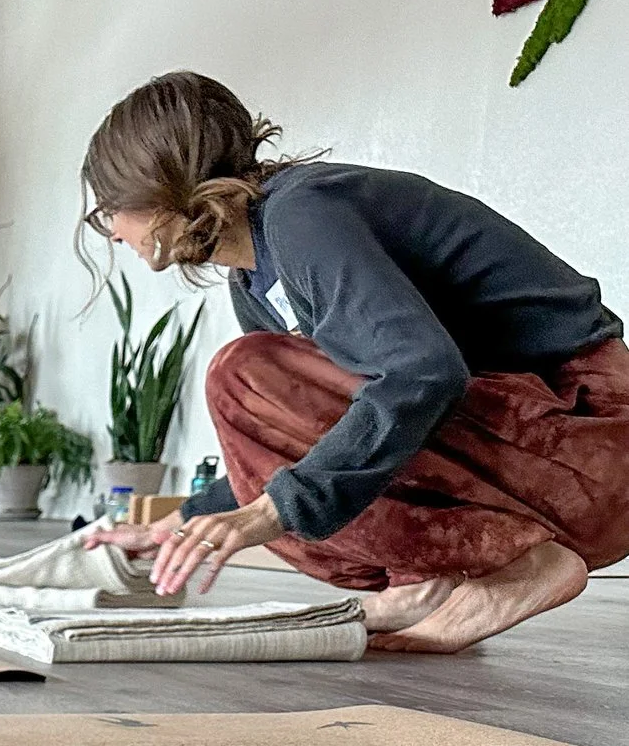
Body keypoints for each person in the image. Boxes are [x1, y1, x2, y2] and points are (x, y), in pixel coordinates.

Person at [77, 71, 629, 653]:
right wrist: (180, 522)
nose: (113, 232)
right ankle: (430, 580)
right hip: (531, 450)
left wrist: (271, 513)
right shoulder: (253, 282)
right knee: (269, 412)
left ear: (162, 188)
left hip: (589, 434)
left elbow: (424, 373)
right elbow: (297, 442)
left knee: (241, 378)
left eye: (112, 208)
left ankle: (520, 567)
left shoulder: (300, 214)